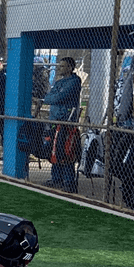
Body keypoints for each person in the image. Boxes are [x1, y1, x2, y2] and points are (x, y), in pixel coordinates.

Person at [38, 57, 83, 193]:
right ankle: (56, 178)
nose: (60, 68)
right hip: (54, 121)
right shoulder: (58, 82)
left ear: (70, 67)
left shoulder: (75, 81)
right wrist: (51, 98)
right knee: (54, 149)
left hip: (66, 122)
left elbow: (57, 98)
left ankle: (69, 181)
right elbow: (49, 97)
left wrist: (52, 97)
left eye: (63, 66)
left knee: (66, 150)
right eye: (60, 66)